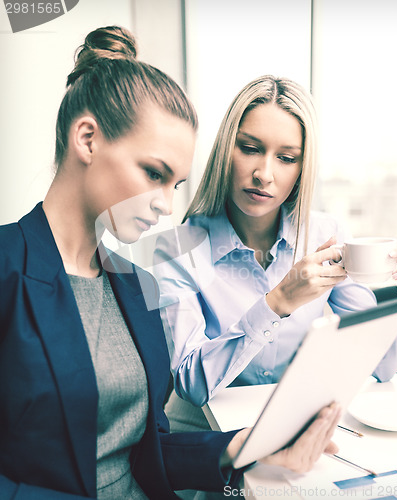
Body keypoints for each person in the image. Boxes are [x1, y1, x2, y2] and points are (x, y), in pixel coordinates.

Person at [0, 29, 343, 500]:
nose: (165, 204)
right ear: (87, 139)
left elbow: (143, 452)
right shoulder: (6, 268)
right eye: (154, 174)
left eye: (176, 184)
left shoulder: (134, 285)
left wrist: (241, 450)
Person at [154, 76, 397, 437]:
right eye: (250, 148)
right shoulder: (174, 249)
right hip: (203, 443)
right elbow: (190, 383)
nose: (263, 174)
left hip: (291, 434)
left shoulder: (324, 234)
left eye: (286, 158)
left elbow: (379, 361)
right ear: (226, 150)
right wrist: (278, 301)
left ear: (303, 168)